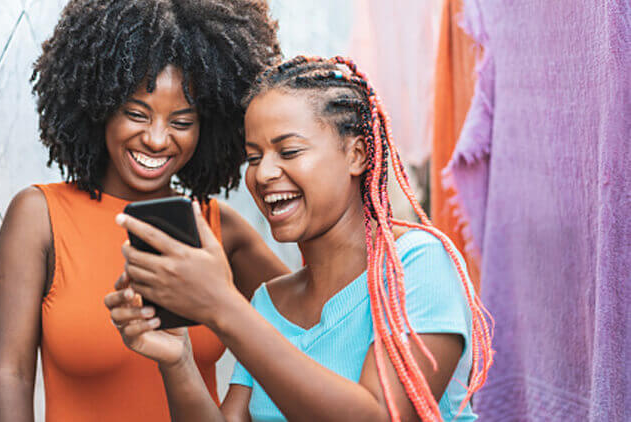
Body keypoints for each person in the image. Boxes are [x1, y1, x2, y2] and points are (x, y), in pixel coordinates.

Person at [106, 56, 494, 421]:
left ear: (357, 154)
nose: (263, 174)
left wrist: (223, 307)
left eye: (288, 151)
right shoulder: (269, 304)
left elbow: (382, 413)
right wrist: (178, 359)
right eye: (253, 157)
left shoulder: (418, 264)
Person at [0, 1, 287, 421]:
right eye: (136, 114)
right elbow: (10, 377)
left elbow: (314, 330)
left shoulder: (220, 229)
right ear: (100, 104)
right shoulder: (39, 216)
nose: (158, 139)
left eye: (182, 122)